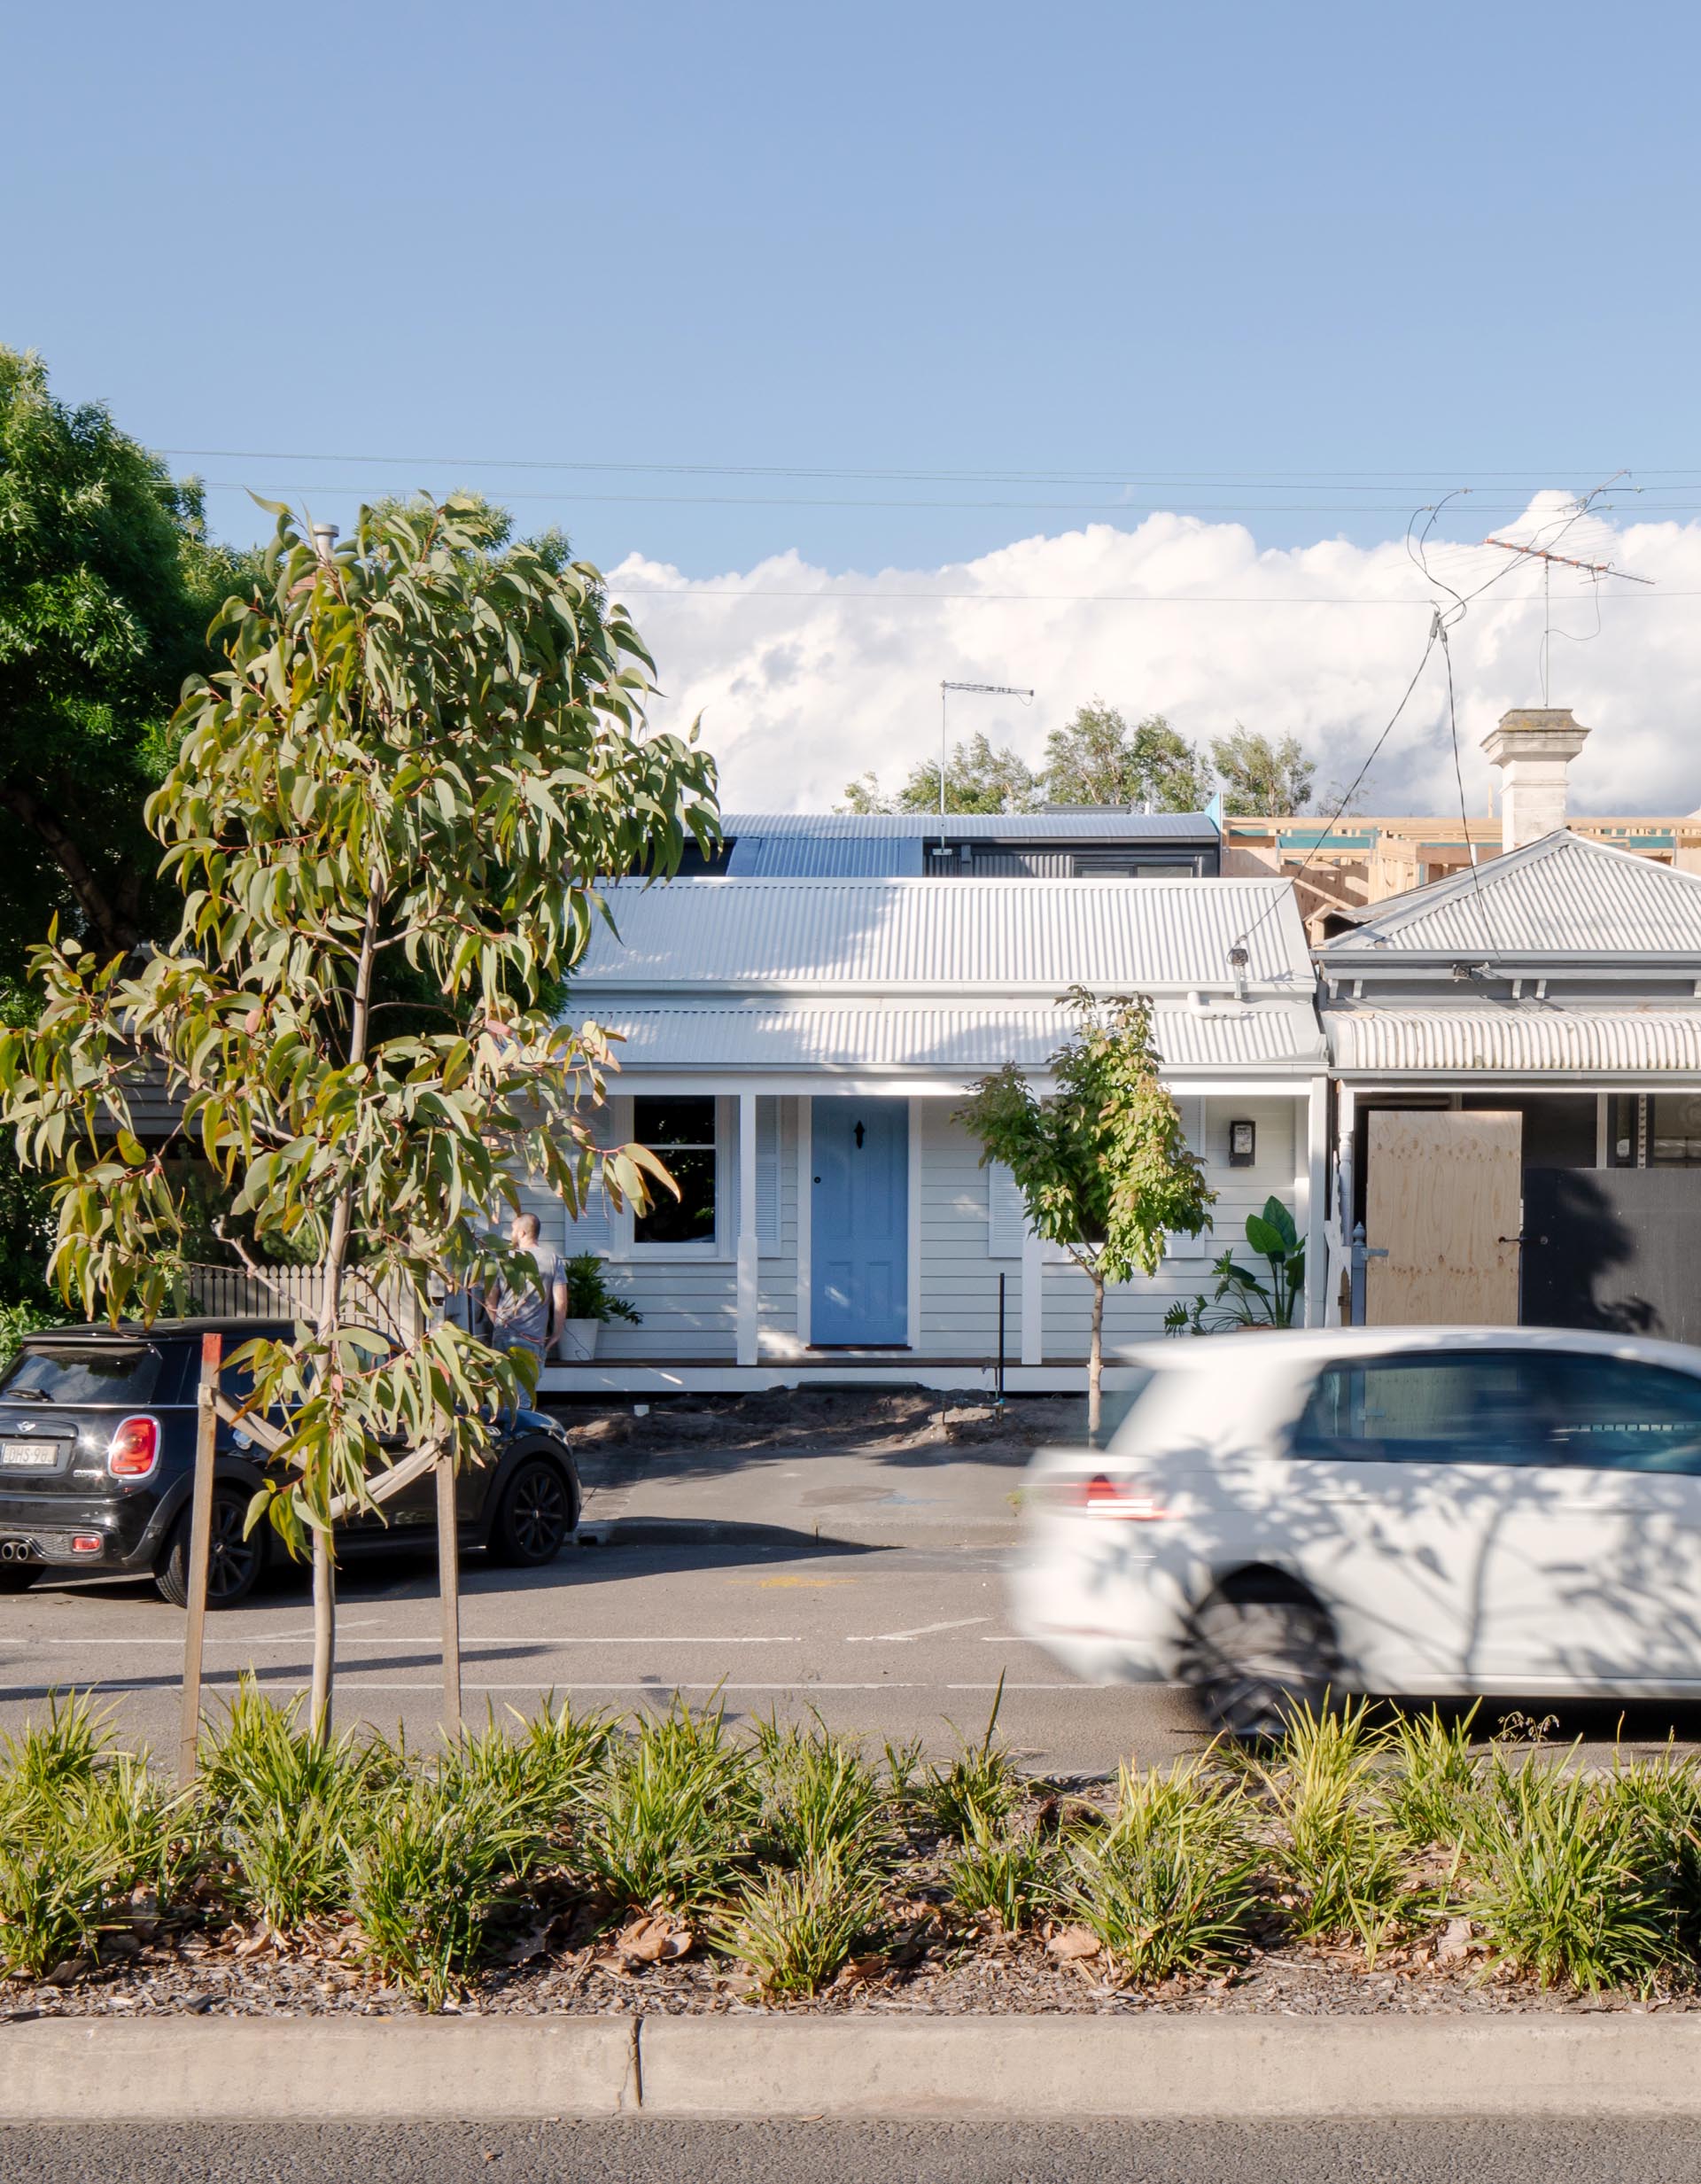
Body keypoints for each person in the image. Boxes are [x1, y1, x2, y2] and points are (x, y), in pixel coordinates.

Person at [479, 1212, 568, 1377]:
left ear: (522, 1233)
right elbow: (560, 1302)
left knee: (506, 1392)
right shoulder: (553, 1260)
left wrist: (499, 1325)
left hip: (503, 1334)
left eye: (513, 1229)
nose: (511, 1234)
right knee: (524, 1395)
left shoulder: (502, 1259)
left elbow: (490, 1301)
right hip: (533, 1336)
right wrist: (556, 1334)